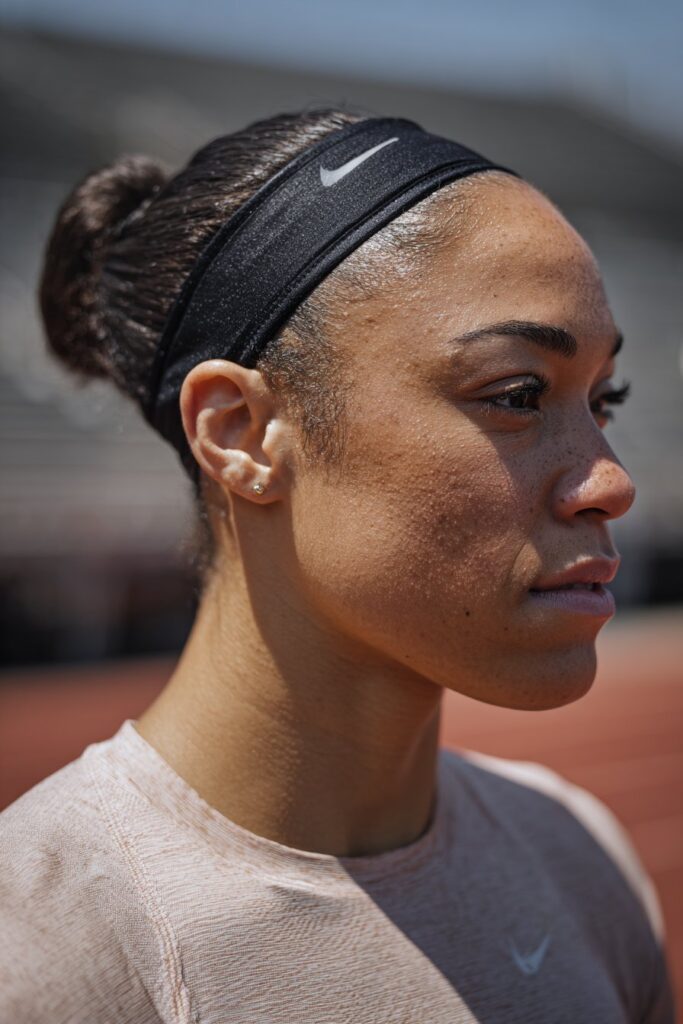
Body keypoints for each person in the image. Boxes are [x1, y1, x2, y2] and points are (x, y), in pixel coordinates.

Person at [0, 106, 676, 1023]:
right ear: (241, 434)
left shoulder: (577, 857)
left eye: (604, 399)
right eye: (517, 393)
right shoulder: (45, 949)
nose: (609, 481)